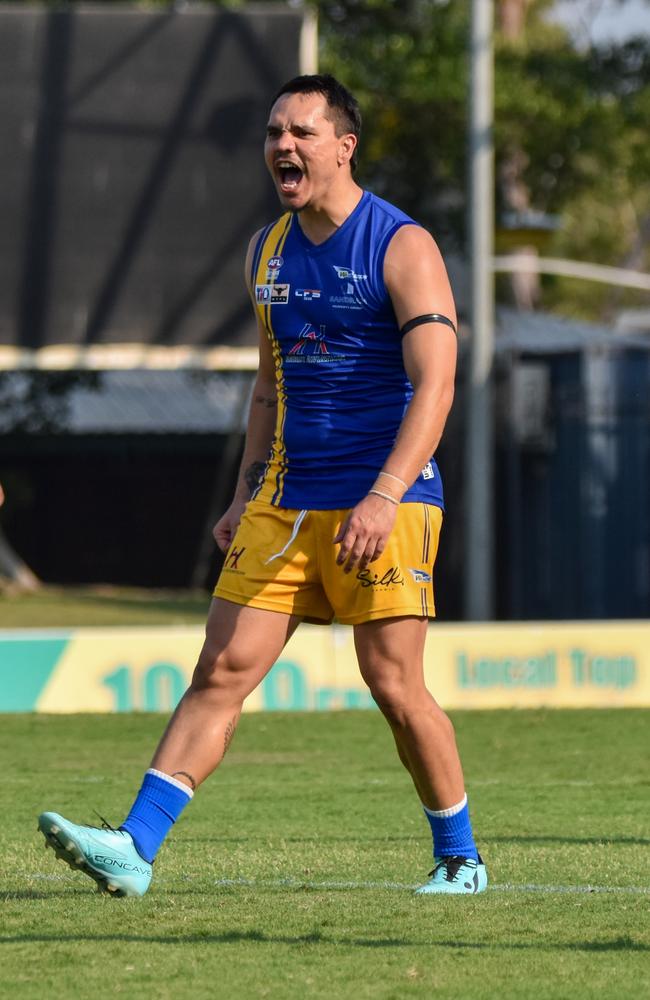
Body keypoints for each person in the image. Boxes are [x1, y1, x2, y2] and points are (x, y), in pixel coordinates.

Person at [38, 74, 486, 897]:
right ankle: (134, 849)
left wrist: (384, 494)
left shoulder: (401, 246)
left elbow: (437, 387)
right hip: (285, 498)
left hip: (385, 496)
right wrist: (246, 494)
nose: (284, 145)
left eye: (303, 133)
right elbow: (269, 389)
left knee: (391, 683)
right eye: (275, 132)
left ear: (344, 147)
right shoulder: (266, 250)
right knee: (222, 669)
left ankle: (460, 857)